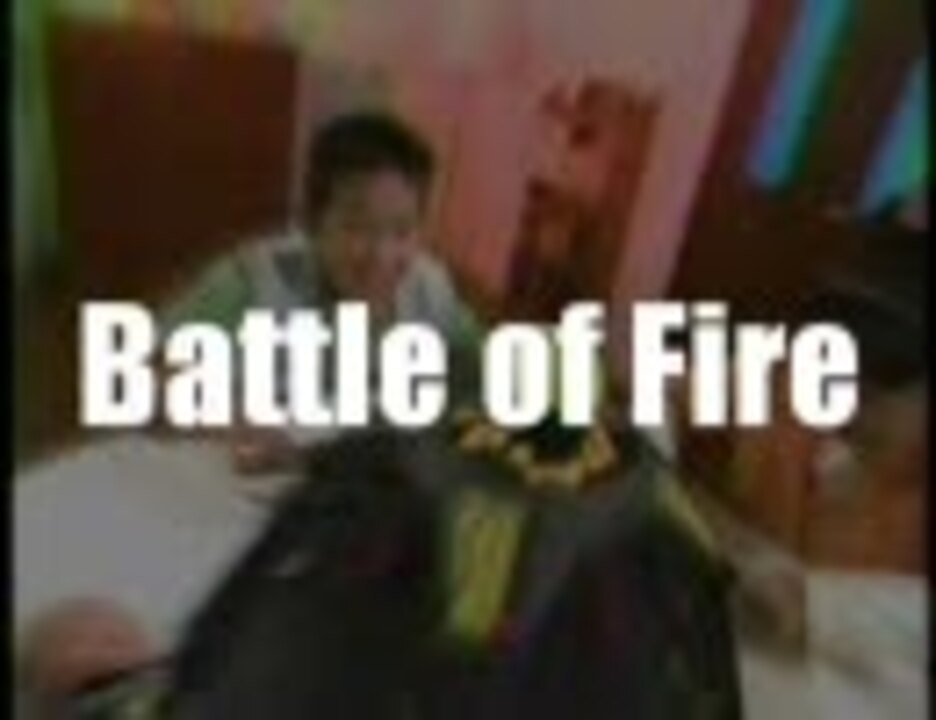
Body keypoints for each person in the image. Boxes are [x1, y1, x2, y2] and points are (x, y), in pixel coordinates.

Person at [157, 111, 481, 476]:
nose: (382, 255)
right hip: (239, 479)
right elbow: (158, 372)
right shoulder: (253, 280)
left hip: (362, 485)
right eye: (357, 227)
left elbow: (483, 374)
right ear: (312, 222)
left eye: (403, 230)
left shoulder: (430, 289)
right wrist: (235, 423)